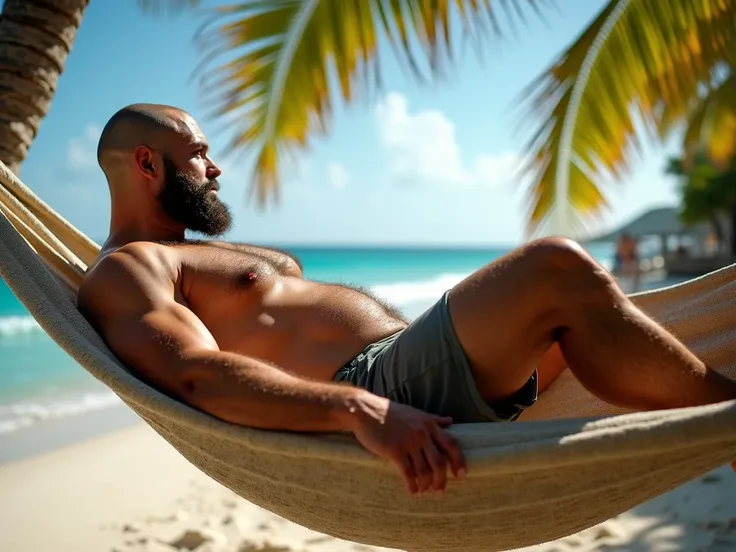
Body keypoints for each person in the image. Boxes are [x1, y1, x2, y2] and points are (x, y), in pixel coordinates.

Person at [77, 104, 736, 496]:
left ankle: (720, 420)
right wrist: (360, 408)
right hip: (382, 390)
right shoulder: (129, 270)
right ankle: (728, 423)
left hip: (418, 369)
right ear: (146, 164)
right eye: (197, 154)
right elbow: (197, 375)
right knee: (555, 270)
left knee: (611, 314)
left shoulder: (189, 254)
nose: (214, 169)